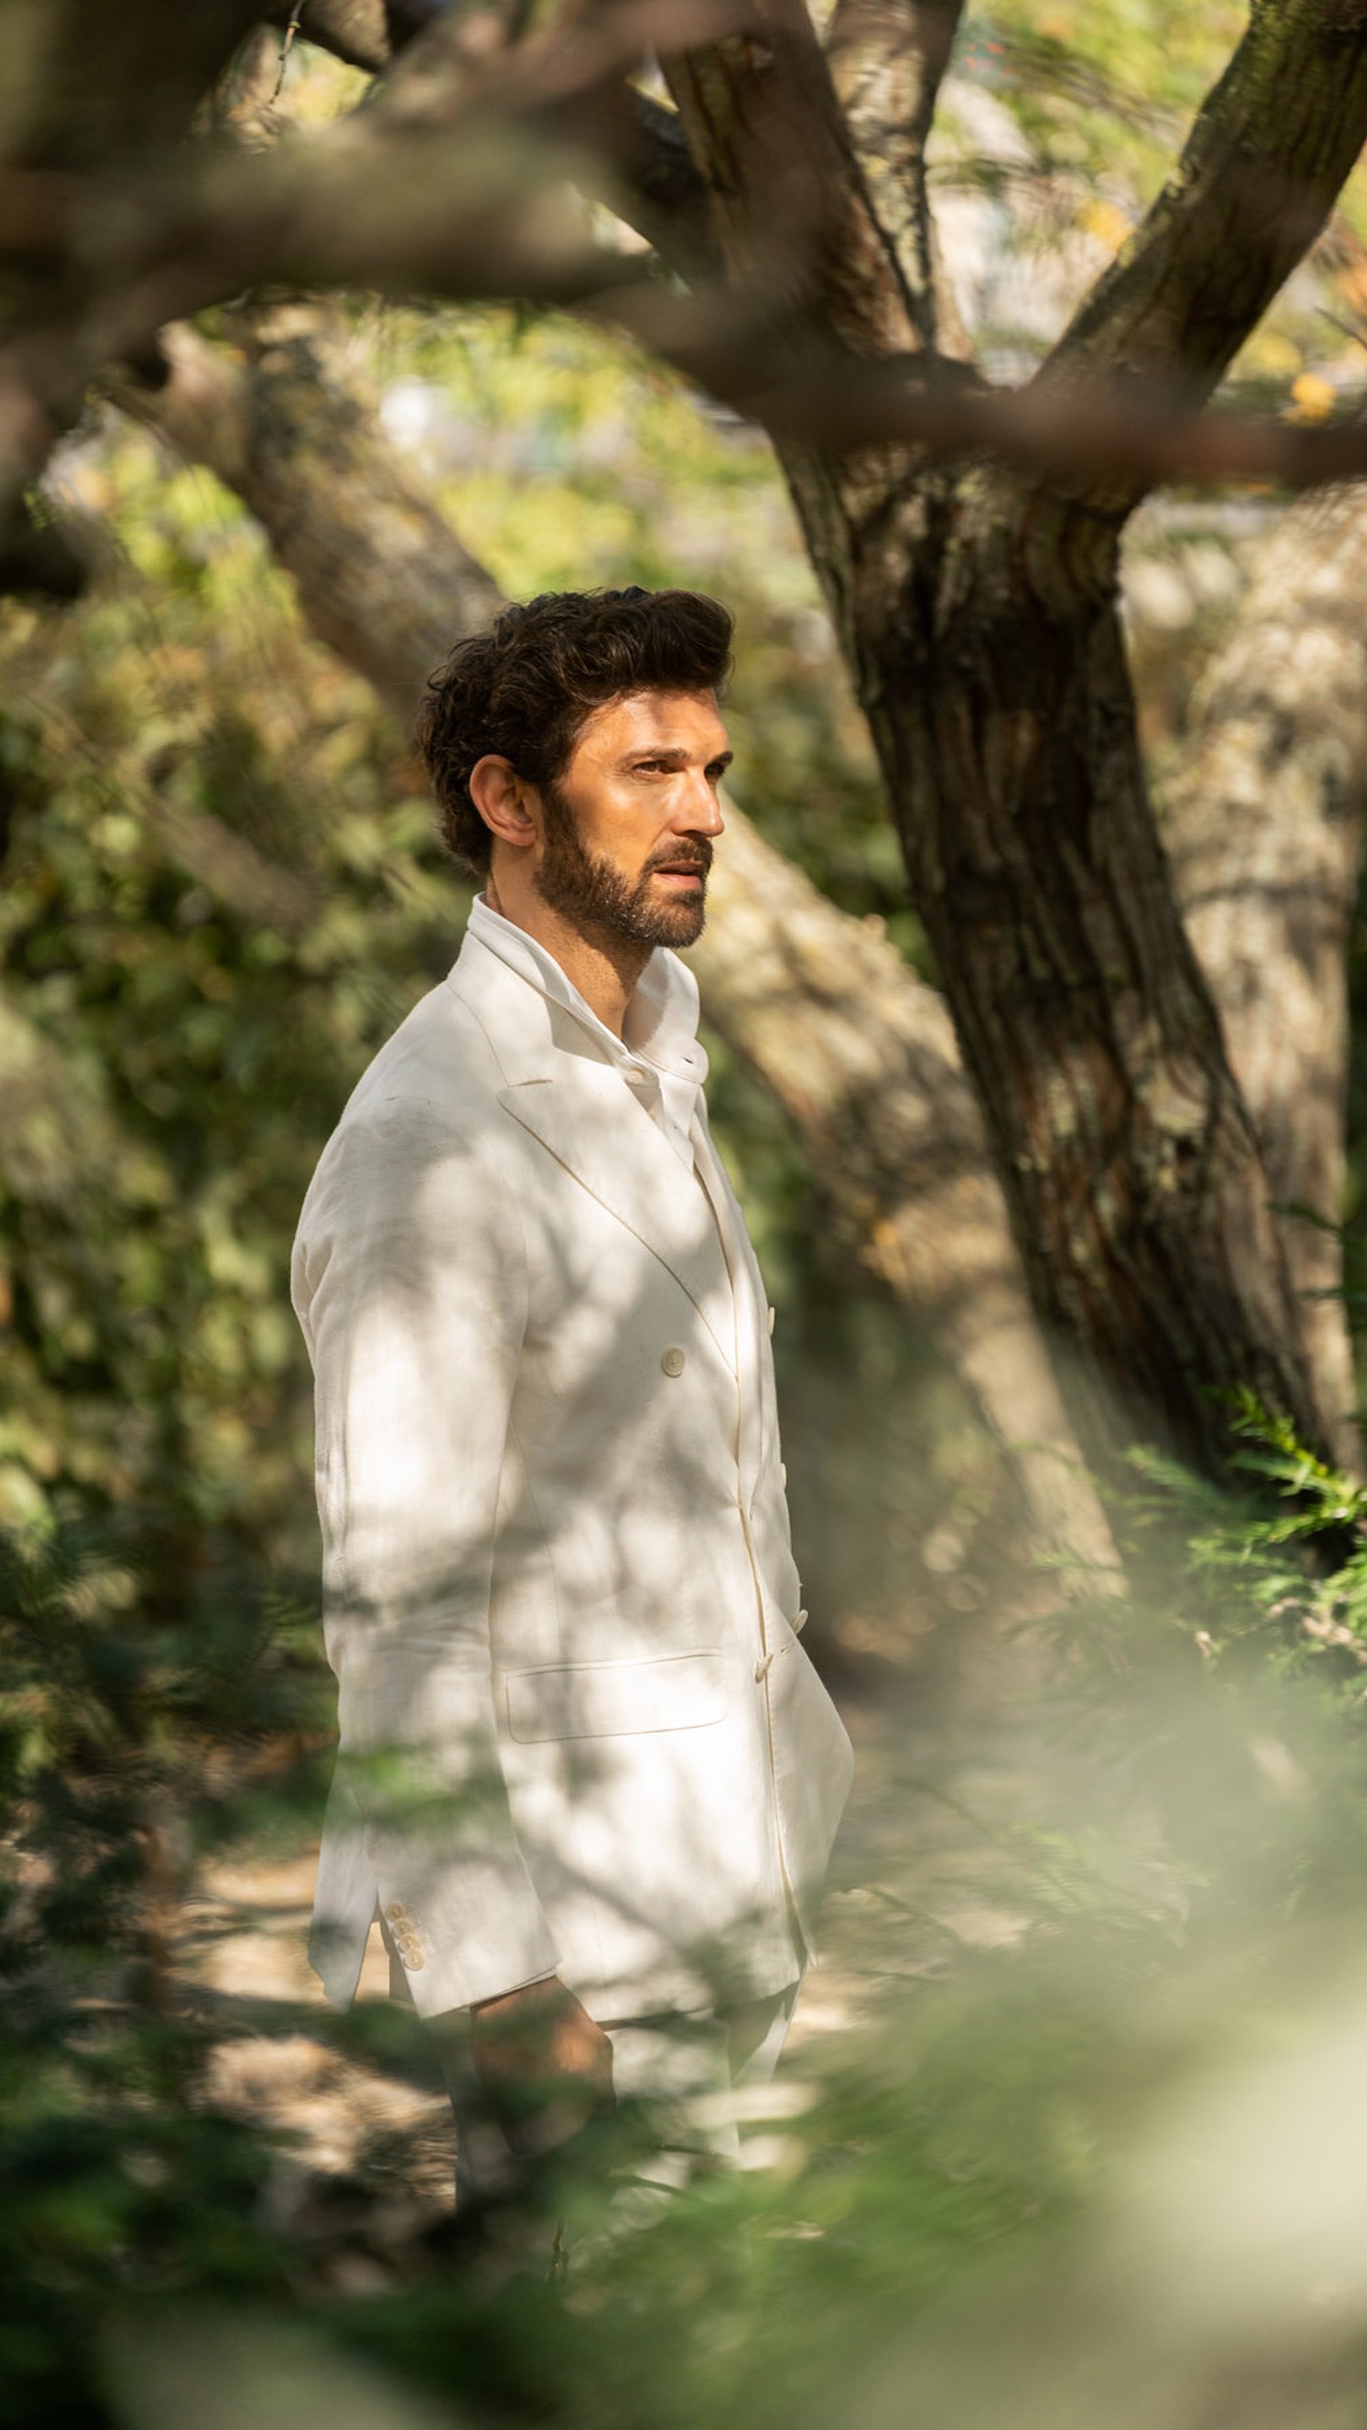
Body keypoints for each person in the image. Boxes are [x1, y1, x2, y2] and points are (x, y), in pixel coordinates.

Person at [291, 587, 853, 2195]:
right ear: (509, 800)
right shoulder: (431, 1133)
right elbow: (398, 1597)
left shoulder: (657, 1060)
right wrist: (498, 1977)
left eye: (713, 770)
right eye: (652, 770)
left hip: (737, 1877)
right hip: (581, 1955)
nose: (705, 815)